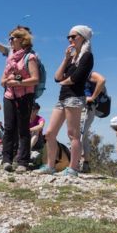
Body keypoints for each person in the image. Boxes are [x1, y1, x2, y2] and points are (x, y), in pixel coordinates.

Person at [0, 21, 40, 172]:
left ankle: (23, 162)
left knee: (23, 129)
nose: (9, 41)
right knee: (9, 127)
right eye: (9, 38)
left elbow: (35, 79)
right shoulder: (10, 55)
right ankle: (7, 160)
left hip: (25, 96)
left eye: (12, 38)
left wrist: (18, 82)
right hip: (9, 95)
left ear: (21, 39)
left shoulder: (30, 57)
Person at [38, 25, 93, 176]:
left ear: (82, 37)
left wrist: (66, 81)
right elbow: (57, 77)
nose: (70, 39)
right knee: (49, 133)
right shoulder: (72, 58)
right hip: (62, 98)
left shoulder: (87, 56)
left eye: (73, 36)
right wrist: (66, 58)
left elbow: (77, 78)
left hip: (74, 98)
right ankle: (50, 166)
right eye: (68, 37)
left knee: (72, 134)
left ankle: (73, 168)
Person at [80, 71, 106, 173]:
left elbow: (102, 80)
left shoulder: (89, 73)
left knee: (78, 134)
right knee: (84, 136)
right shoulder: (80, 73)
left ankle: (76, 163)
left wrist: (92, 97)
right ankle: (85, 164)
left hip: (87, 106)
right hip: (83, 106)